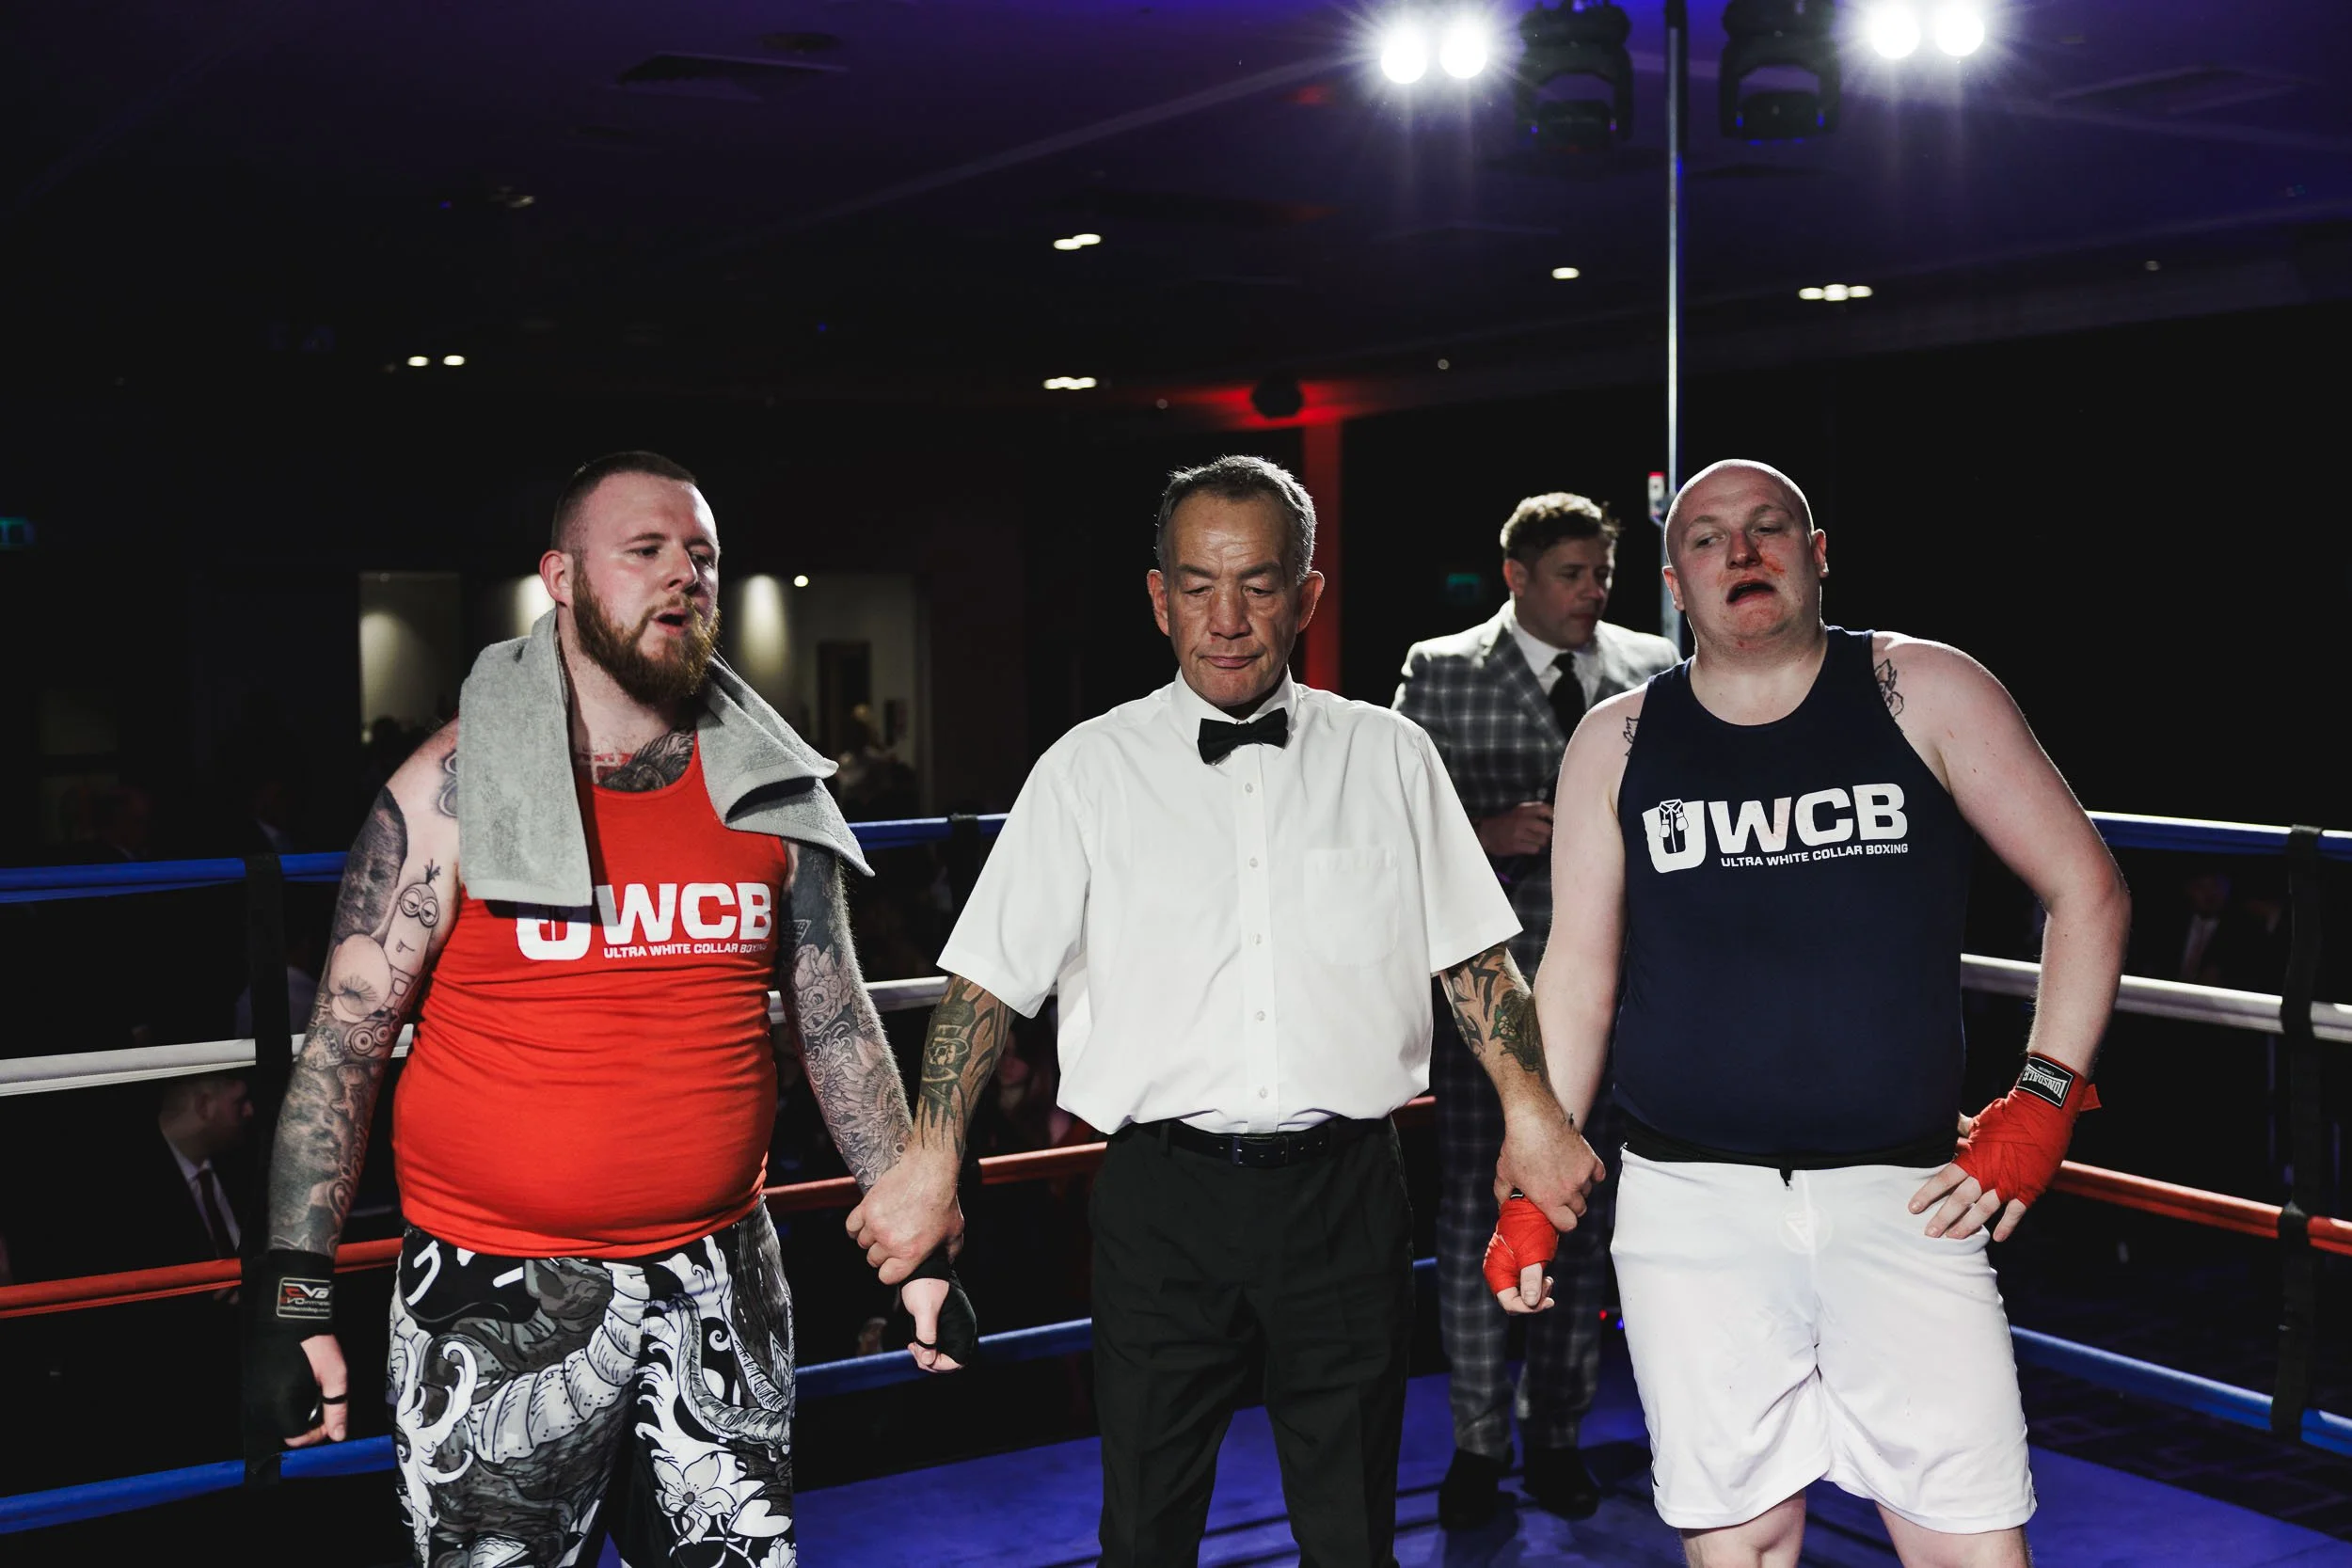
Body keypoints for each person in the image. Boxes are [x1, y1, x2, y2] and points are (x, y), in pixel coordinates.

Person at [848, 454, 1605, 1567]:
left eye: (1258, 583)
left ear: (1307, 595)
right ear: (1159, 599)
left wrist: (1533, 1111)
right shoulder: (1087, 770)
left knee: (1353, 1537)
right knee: (1145, 1534)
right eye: (1197, 585)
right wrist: (927, 1157)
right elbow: (986, 983)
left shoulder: (1388, 754)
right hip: (1163, 1202)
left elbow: (1476, 958)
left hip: (1347, 1193)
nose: (1228, 617)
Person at [244, 451, 961, 1568]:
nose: (685, 575)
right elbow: (341, 1054)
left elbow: (833, 1020)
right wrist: (291, 1303)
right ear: (563, 579)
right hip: (494, 1293)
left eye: (703, 555)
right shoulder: (445, 793)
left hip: (722, 1274)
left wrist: (917, 1245)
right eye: (646, 550)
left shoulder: (771, 793)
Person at [1534, 459, 2129, 1567]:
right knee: (1741, 1541)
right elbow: (1575, 967)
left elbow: (2085, 887)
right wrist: (1541, 1149)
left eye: (1768, 528)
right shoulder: (1616, 740)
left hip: (1904, 1195)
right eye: (1708, 539)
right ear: (1674, 581)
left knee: (1970, 1543)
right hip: (1688, 1201)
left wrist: (2043, 1098)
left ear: (1818, 554)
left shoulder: (1922, 688)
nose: (1740, 553)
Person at [1393, 490, 1677, 1526]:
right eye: (1572, 573)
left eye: (1602, 572)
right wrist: (1488, 828)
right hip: (1490, 998)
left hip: (1625, 991)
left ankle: (1555, 1433)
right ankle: (1477, 1444)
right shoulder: (1443, 668)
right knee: (1480, 1213)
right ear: (1516, 576)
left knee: (1586, 1213)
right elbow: (1396, 826)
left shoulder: (1653, 667)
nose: (1593, 591)